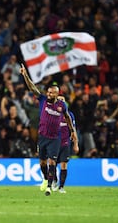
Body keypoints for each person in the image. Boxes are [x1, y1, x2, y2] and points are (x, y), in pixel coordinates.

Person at [20, 65, 78, 196]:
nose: (49, 94)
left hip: (55, 138)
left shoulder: (61, 105)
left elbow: (68, 117)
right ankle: (46, 179)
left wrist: (72, 131)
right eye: (48, 92)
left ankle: (49, 187)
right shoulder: (43, 100)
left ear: (57, 94)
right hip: (42, 137)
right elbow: (32, 87)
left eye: (52, 93)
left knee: (52, 162)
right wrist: (25, 75)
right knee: (42, 163)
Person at [52, 95, 79, 193]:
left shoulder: (70, 115)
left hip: (65, 143)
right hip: (54, 143)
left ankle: (61, 187)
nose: (61, 101)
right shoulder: (52, 114)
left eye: (63, 100)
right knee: (52, 164)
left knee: (64, 165)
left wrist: (76, 144)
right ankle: (54, 180)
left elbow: (73, 130)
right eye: (59, 100)